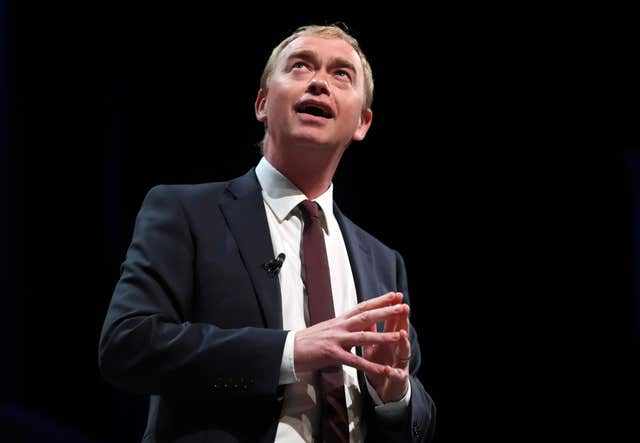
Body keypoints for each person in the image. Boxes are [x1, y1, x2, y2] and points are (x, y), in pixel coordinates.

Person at [99, 24, 436, 443]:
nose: (318, 82)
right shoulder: (185, 212)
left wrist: (394, 394)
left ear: (362, 123)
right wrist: (290, 350)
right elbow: (127, 344)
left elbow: (417, 412)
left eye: (341, 74)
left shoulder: (384, 261)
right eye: (300, 66)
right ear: (262, 103)